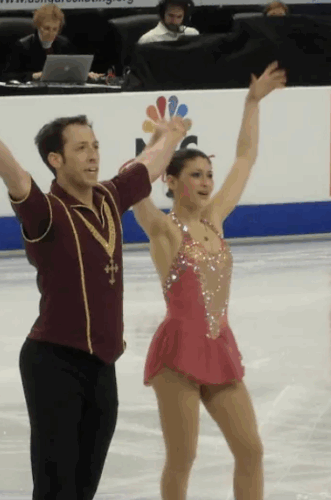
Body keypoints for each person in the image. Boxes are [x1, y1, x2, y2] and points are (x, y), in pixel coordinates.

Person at [0, 73, 189, 500]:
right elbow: (12, 172)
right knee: (56, 489)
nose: (93, 156)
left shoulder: (111, 197)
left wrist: (169, 134)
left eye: (95, 146)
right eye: (81, 148)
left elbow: (148, 166)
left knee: (84, 487)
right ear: (56, 160)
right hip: (53, 363)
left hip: (102, 365)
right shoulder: (46, 212)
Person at [124, 62, 285, 500]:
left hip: (219, 346)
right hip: (177, 354)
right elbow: (129, 185)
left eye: (208, 174)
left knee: (250, 450)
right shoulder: (164, 230)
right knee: (183, 458)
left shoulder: (216, 220)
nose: (207, 182)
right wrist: (159, 144)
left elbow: (245, 158)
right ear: (172, 181)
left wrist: (252, 103)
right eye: (195, 175)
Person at [3, 5, 102, 82]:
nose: (51, 33)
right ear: (38, 26)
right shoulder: (23, 46)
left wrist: (84, 74)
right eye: (46, 28)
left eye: (55, 29)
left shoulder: (64, 44)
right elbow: (6, 76)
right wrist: (33, 75)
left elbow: (69, 68)